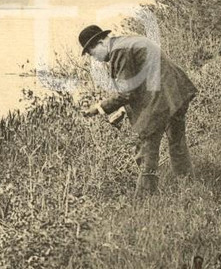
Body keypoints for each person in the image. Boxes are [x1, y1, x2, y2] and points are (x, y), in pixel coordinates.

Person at [78, 25, 197, 197]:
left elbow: (127, 92)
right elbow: (139, 83)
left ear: (101, 43)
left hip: (162, 99)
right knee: (177, 143)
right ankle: (189, 187)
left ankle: (145, 199)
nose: (94, 58)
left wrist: (98, 108)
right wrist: (123, 111)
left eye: (91, 53)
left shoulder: (119, 51)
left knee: (146, 148)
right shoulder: (126, 42)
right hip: (176, 92)